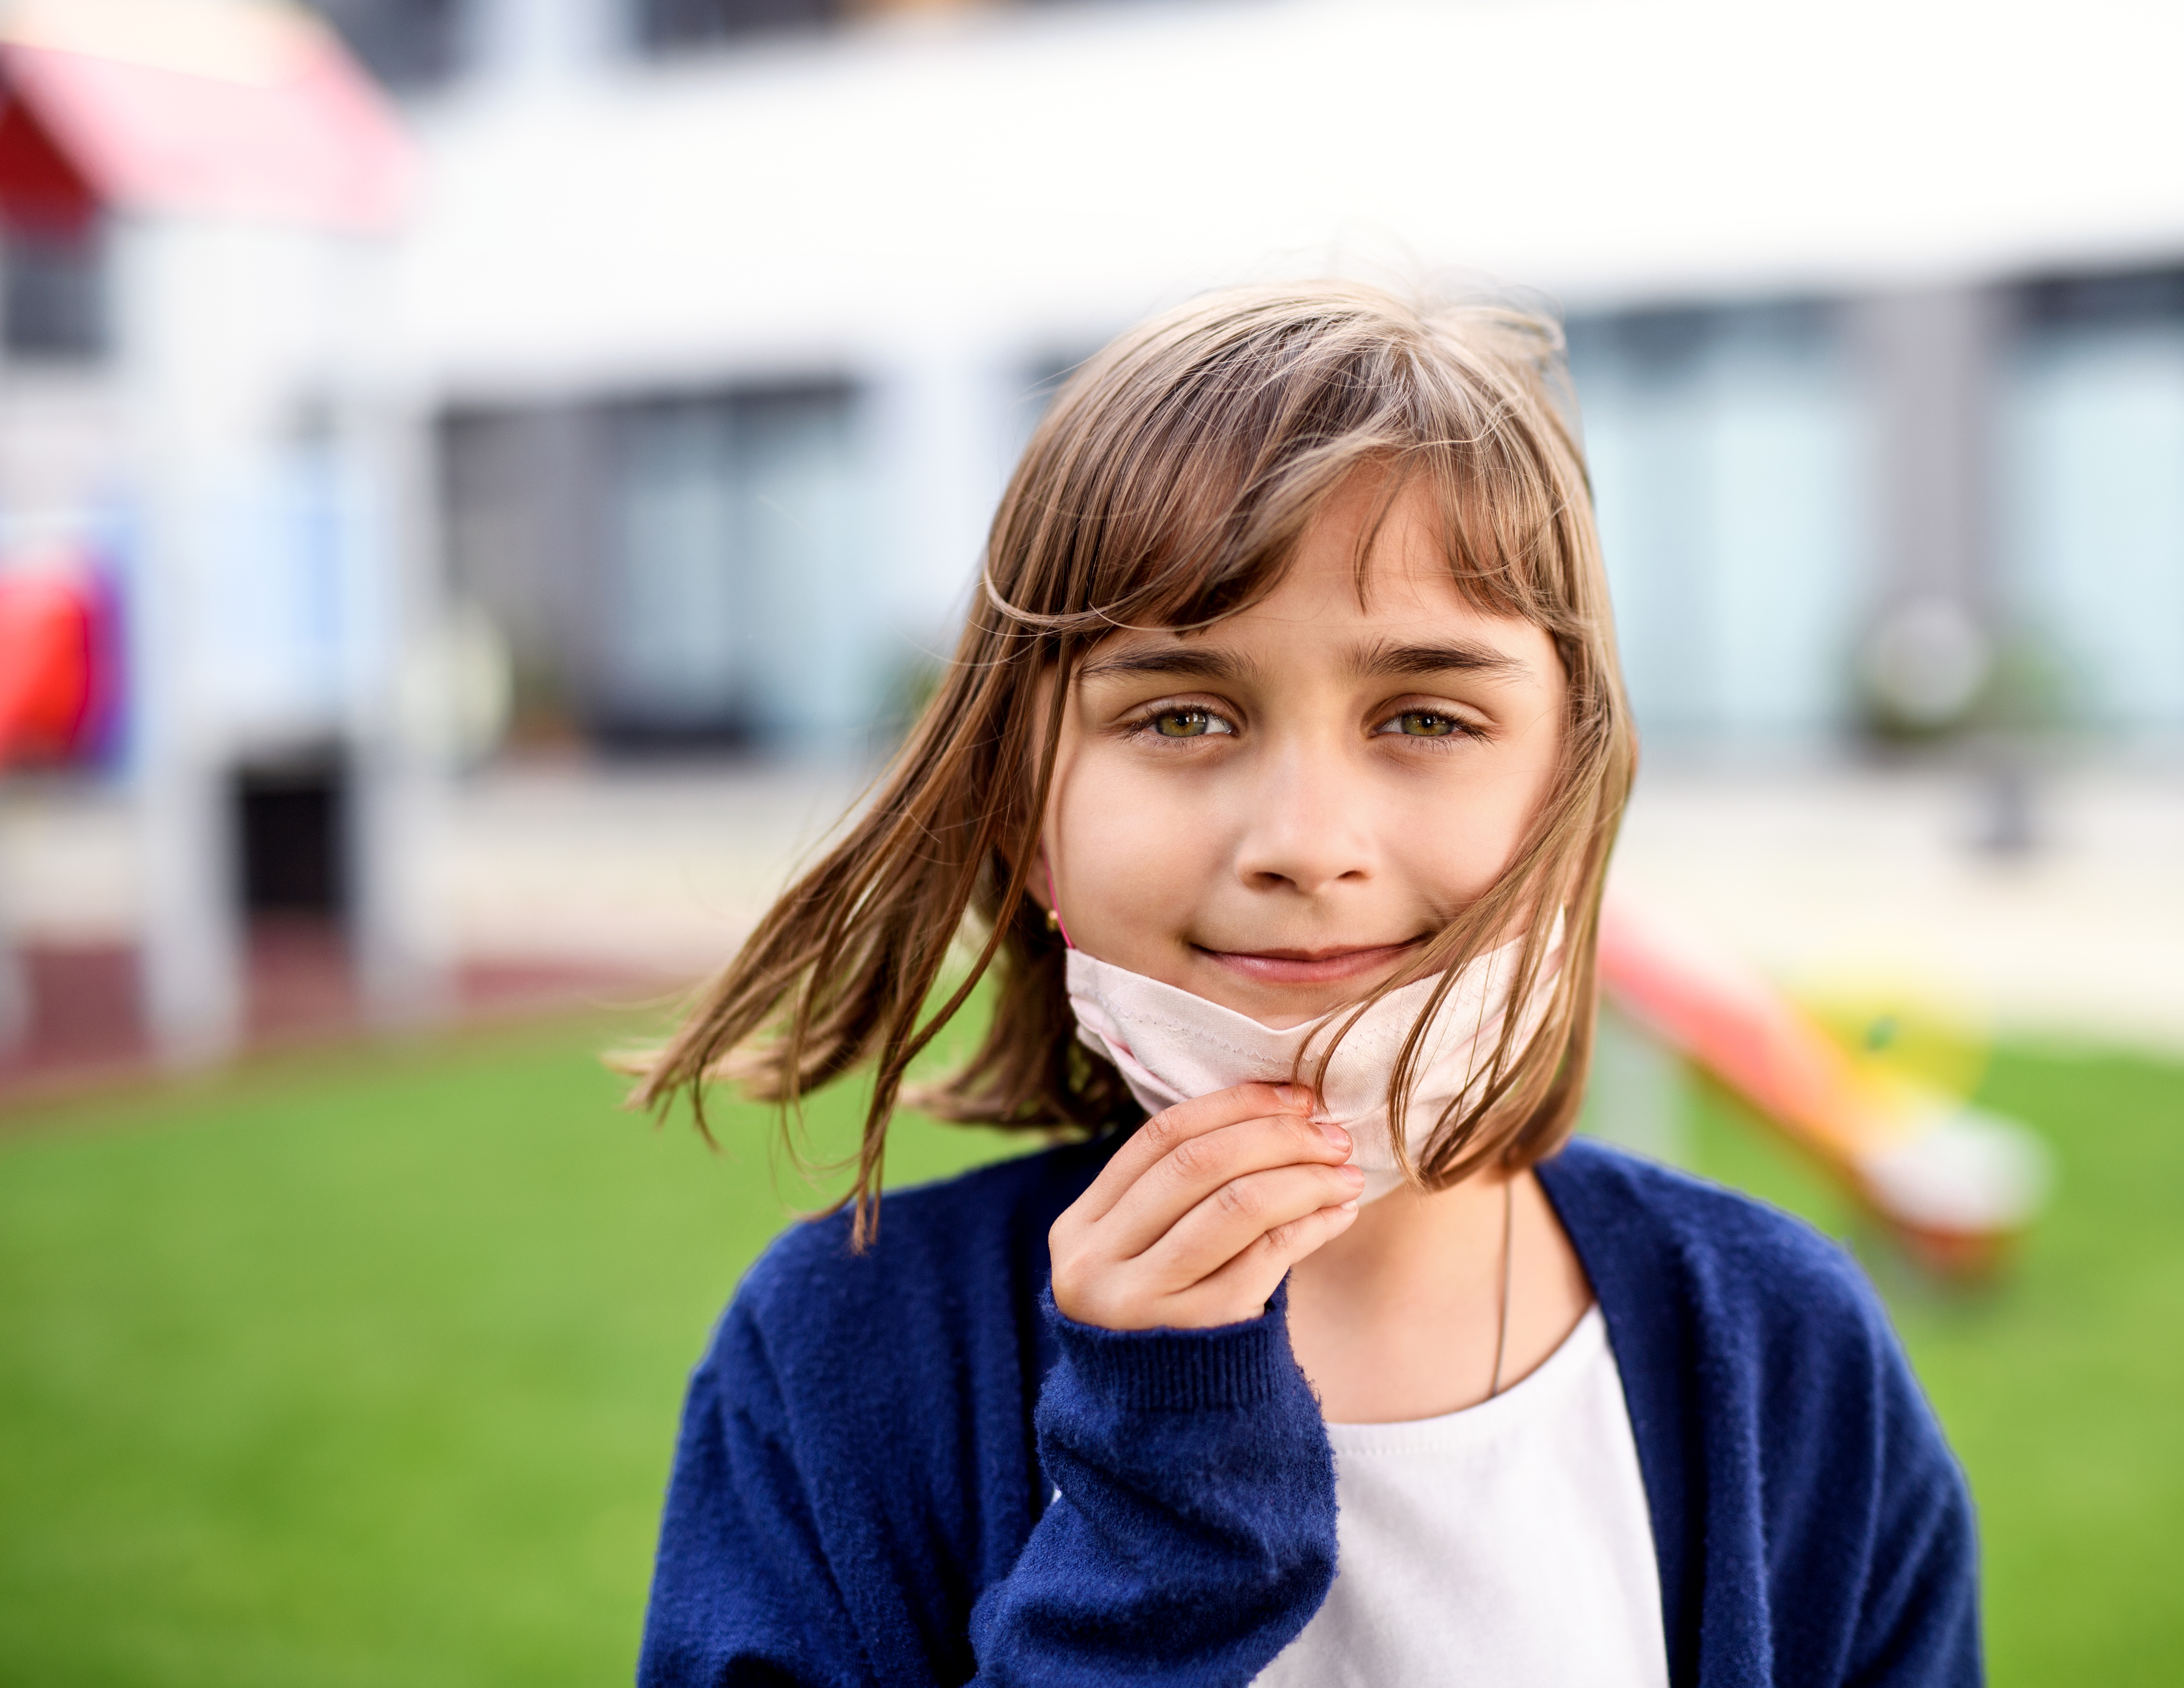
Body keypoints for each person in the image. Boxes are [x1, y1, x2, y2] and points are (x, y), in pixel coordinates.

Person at [631, 282, 1980, 1687]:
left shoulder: (1786, 1353)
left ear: (1571, 798)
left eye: (1425, 718)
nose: (1305, 846)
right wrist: (1161, 1514)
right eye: (1183, 715)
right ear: (1031, 817)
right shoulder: (839, 1361)